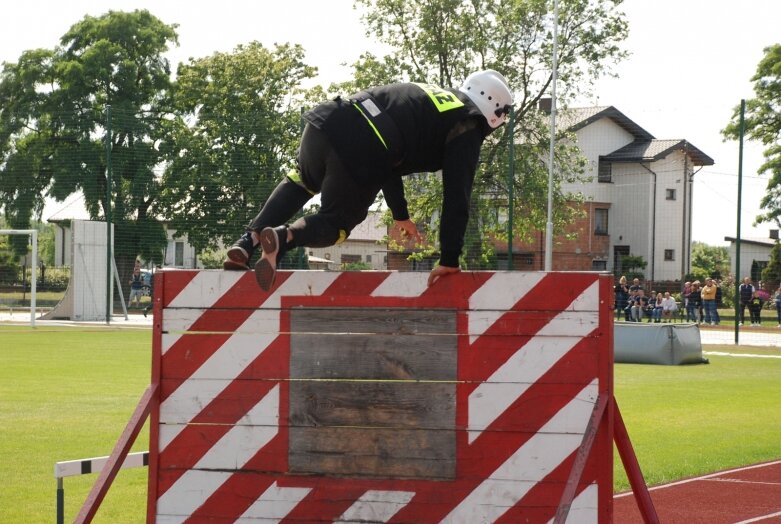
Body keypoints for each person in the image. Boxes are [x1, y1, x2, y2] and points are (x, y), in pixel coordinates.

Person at [222, 71, 514, 291]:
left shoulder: (433, 99)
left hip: (328, 120)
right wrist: (450, 258)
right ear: (495, 112)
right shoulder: (467, 124)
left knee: (302, 181)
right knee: (336, 225)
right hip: (362, 147)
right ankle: (285, 236)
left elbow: (390, 160)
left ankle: (247, 242)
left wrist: (400, 215)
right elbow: (456, 197)